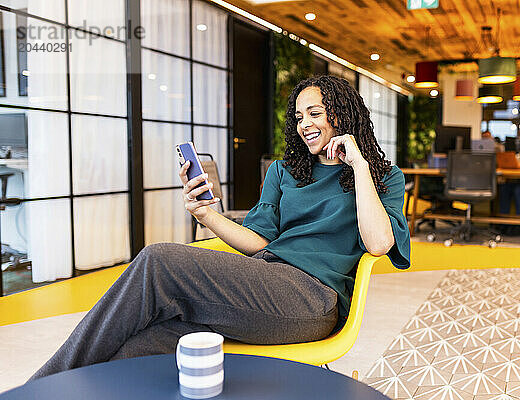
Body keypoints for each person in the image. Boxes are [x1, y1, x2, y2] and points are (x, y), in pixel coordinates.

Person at [30, 75, 410, 379]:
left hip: (312, 301)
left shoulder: (382, 177)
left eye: (315, 113)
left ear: (342, 115)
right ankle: (71, 392)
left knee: (158, 260)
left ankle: (39, 389)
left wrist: (359, 165)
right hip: (262, 284)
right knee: (145, 343)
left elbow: (378, 243)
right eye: (298, 117)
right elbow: (257, 241)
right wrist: (207, 215)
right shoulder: (284, 172)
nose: (304, 124)